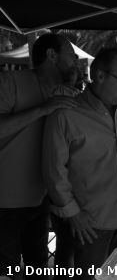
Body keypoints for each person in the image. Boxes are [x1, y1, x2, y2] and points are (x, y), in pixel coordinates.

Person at [42, 48, 117, 279]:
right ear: (100, 76)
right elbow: (53, 171)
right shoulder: (65, 115)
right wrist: (73, 213)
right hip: (88, 226)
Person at [0, 33, 79, 279]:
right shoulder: (10, 81)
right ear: (51, 55)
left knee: (38, 267)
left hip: (42, 199)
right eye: (71, 56)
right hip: (5, 202)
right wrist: (43, 109)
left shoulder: (65, 92)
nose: (76, 61)